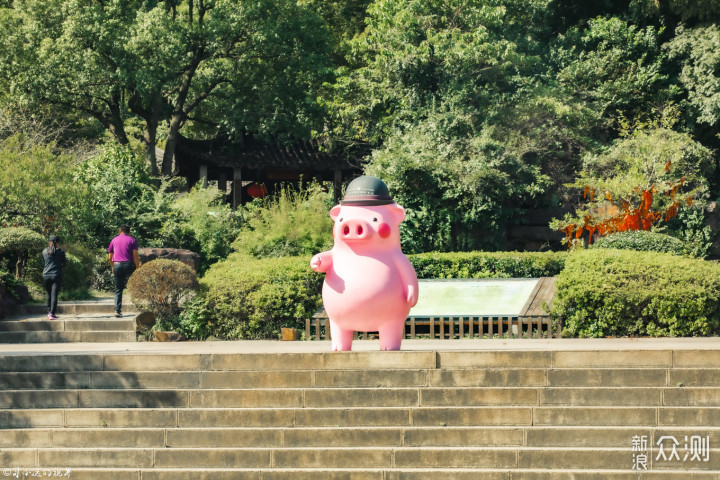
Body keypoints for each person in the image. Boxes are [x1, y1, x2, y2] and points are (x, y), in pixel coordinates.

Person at [107, 224, 141, 317]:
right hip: (129, 265)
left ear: (120, 231)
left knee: (118, 289)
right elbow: (135, 256)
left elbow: (110, 257)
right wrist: (138, 268)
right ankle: (139, 308)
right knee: (135, 286)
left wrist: (113, 266)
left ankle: (117, 311)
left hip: (117, 265)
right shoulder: (132, 240)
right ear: (128, 232)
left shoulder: (114, 240)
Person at [42, 235, 66, 320]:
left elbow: (44, 262)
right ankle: (52, 313)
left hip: (46, 275)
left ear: (49, 242)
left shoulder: (44, 251)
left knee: (48, 294)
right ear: (58, 243)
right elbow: (64, 264)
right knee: (54, 294)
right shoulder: (61, 252)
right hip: (56, 275)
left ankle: (49, 312)